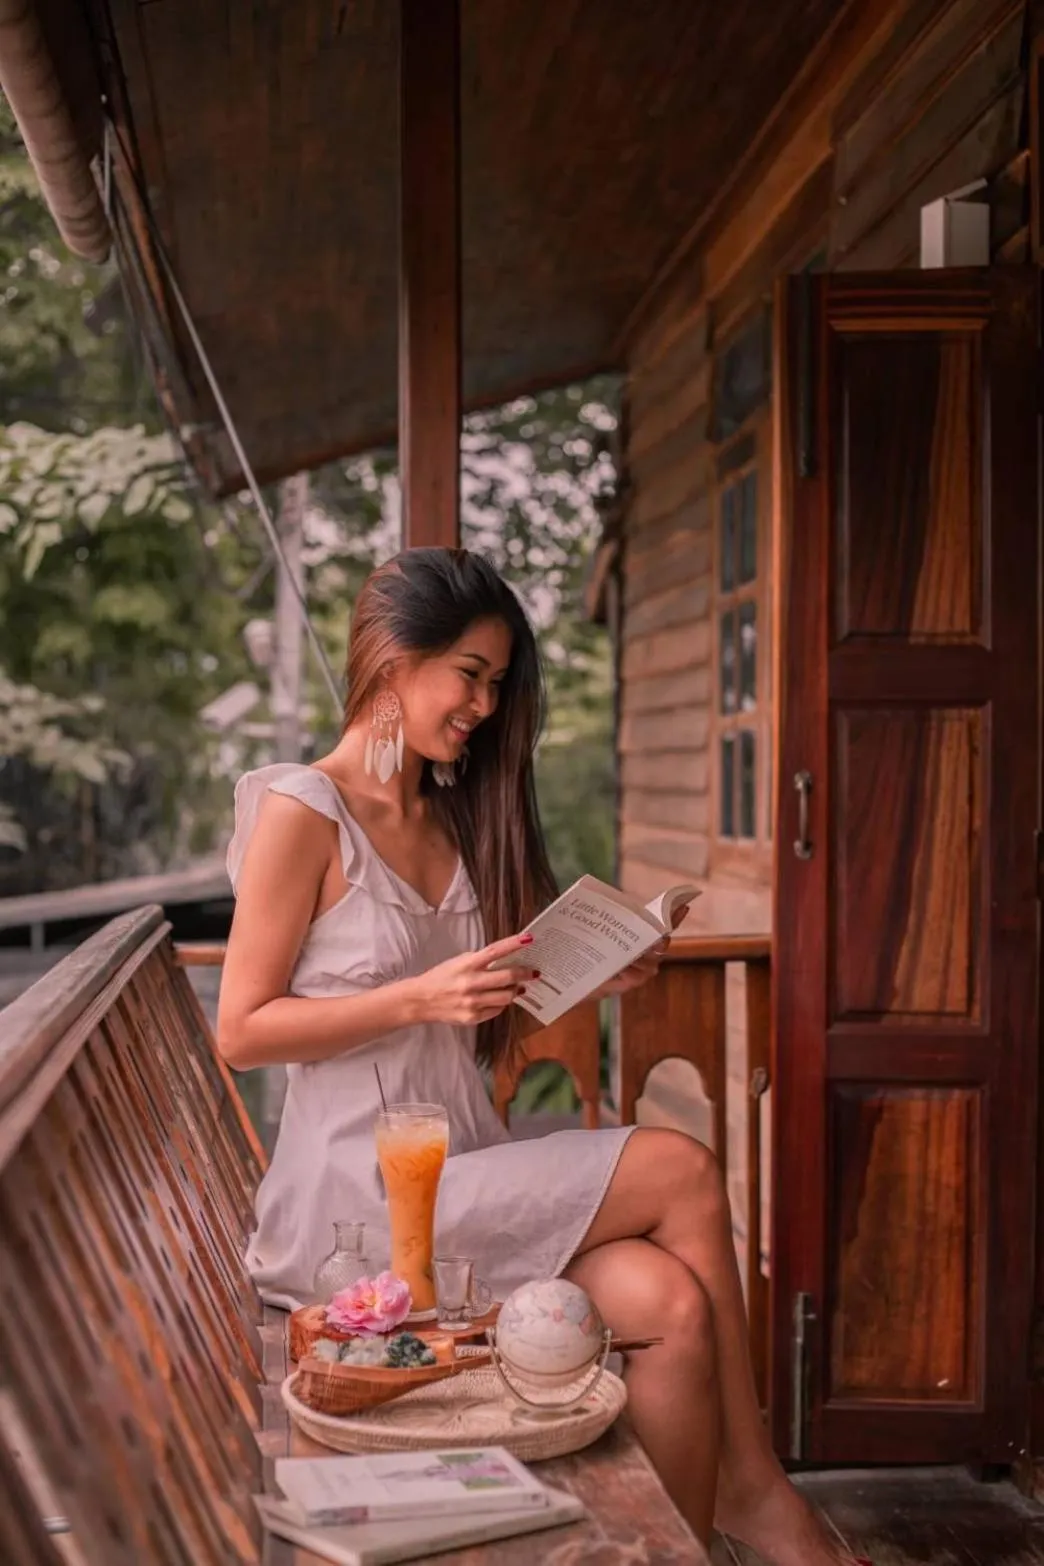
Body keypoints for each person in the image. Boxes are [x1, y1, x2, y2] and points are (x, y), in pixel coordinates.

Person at [217, 547, 862, 1564]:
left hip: (465, 1167)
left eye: (498, 681)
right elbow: (242, 1029)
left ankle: (697, 1537)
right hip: (359, 1202)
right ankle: (762, 1493)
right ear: (392, 658)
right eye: (470, 673)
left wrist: (588, 975)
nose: (484, 701)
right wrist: (420, 995)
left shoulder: (446, 814)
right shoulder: (305, 810)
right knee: (680, 1167)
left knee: (673, 1307)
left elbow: (465, 1015)